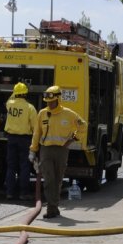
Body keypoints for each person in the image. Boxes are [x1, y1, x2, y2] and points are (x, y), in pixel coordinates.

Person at [29, 85, 87, 219]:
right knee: (49, 180)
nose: (49, 104)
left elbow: (83, 126)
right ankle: (51, 208)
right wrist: (33, 150)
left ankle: (54, 207)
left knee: (58, 180)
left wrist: (73, 139)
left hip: (62, 151)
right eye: (47, 102)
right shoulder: (42, 113)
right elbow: (37, 133)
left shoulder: (69, 114)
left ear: (58, 99)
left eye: (52, 101)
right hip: (46, 150)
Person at [3, 82, 37, 201]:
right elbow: (35, 127)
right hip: (25, 140)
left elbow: (11, 98)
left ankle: (10, 193)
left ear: (15, 93)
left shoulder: (9, 104)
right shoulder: (30, 107)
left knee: (11, 166)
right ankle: (24, 193)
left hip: (11, 139)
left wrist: (15, 93)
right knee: (24, 166)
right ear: (25, 94)